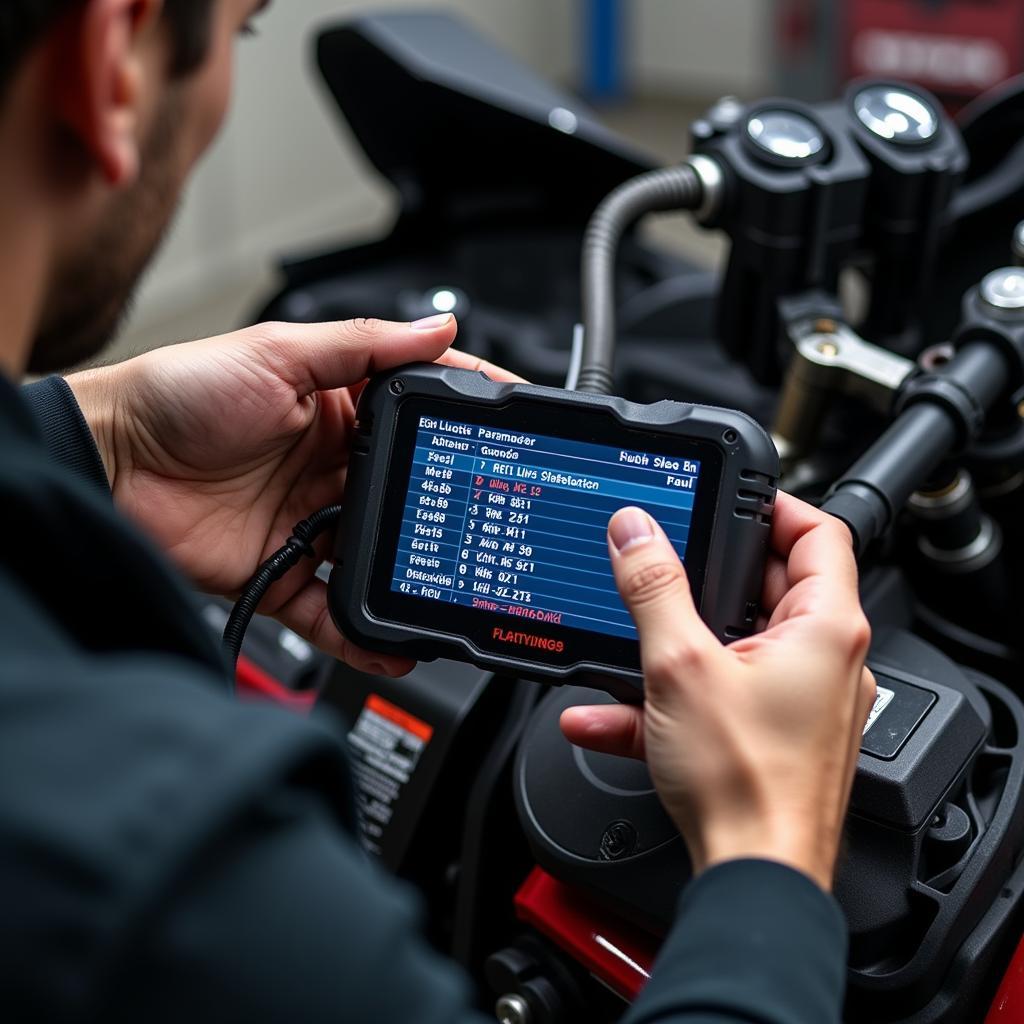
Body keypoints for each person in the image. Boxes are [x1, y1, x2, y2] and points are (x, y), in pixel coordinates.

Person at [0, 1, 876, 1021]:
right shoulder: (174, 878)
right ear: (116, 59)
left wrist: (102, 436)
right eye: (240, 33)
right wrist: (771, 854)